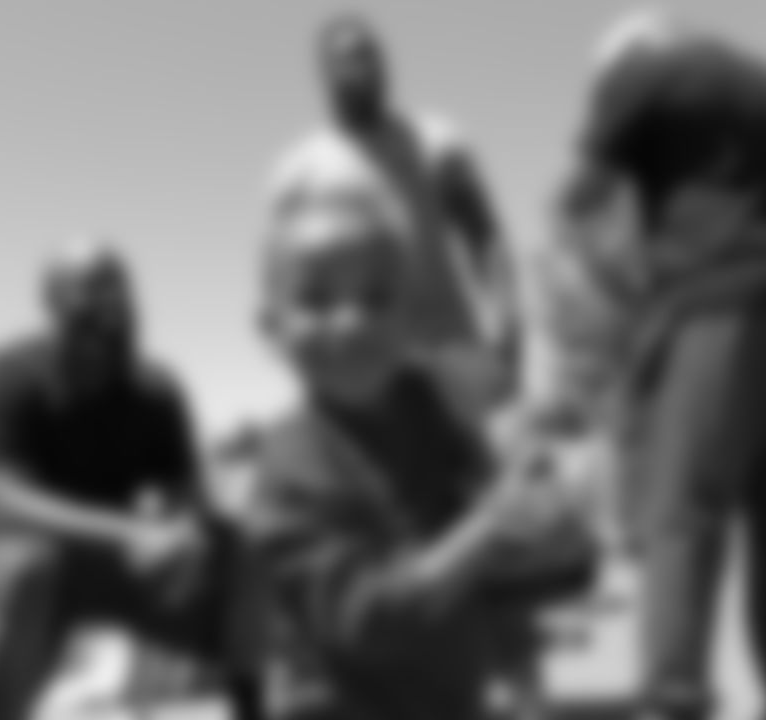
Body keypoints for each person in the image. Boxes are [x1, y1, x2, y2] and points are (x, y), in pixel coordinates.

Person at [567, 14, 766, 720]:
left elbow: (583, 199)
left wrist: (624, 293)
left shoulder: (642, 74)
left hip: (719, 312)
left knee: (684, 520)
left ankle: (672, 702)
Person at [241, 178, 597, 720]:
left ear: (409, 316)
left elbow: (532, 567)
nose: (352, 321)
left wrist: (545, 510)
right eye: (315, 299)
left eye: (377, 298)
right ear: (272, 328)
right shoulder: (288, 471)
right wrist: (489, 526)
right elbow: (367, 620)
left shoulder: (436, 408)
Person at [0, 241, 260, 720]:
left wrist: (187, 530)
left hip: (110, 563)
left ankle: (253, 703)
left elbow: (184, 487)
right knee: (27, 567)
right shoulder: (1, 375)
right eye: (90, 288)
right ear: (52, 302)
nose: (111, 302)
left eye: (119, 286)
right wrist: (131, 531)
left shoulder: (155, 387)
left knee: (241, 552)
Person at [269, 12, 521, 422]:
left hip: (452, 356)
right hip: (361, 382)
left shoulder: (437, 141)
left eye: (372, 54)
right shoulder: (298, 175)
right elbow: (285, 288)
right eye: (348, 57)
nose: (363, 66)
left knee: (484, 461)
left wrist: (508, 322)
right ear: (324, 73)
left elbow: (485, 236)